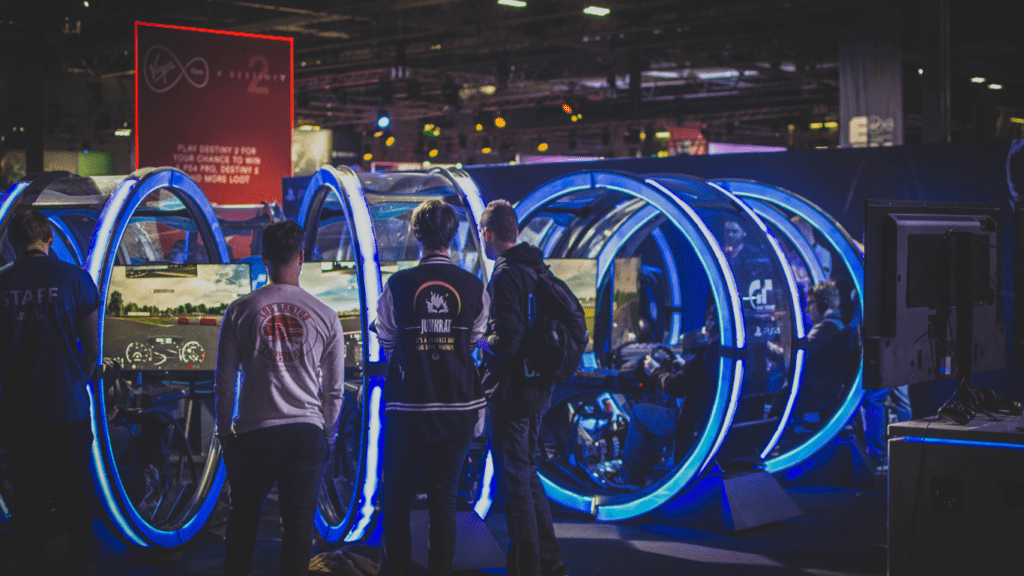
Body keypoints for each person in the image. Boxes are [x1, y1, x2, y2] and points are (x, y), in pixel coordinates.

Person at [214, 220, 345, 576]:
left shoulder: (240, 310)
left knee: (242, 520)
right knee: (299, 526)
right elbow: (333, 390)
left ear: (263, 257)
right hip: (306, 433)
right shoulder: (327, 315)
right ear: (301, 257)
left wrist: (224, 433)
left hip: (255, 432)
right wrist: (327, 434)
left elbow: (224, 385)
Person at [375, 200, 489, 576]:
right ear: (453, 236)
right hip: (458, 410)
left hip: (409, 411)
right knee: (444, 501)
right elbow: (473, 342)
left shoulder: (398, 284)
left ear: (415, 233)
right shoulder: (474, 286)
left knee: (396, 502)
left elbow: (388, 342)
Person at [0, 210, 101, 575]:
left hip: (18, 410)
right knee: (76, 488)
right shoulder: (76, 278)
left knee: (27, 495)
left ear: (11, 242)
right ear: (50, 238)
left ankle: (31, 563)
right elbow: (92, 351)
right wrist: (83, 378)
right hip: (68, 406)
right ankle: (80, 557)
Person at [478, 199, 568, 576]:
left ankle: (527, 566)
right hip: (536, 389)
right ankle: (548, 561)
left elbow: (508, 341)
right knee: (527, 475)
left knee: (515, 481)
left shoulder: (505, 275)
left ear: (487, 234)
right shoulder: (536, 268)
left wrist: (480, 339)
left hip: (512, 394)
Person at [616, 313, 719, 488]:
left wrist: (653, 370)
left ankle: (631, 477)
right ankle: (650, 465)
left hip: (693, 422)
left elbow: (675, 387)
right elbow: (693, 377)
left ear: (712, 326)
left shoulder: (707, 354)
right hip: (709, 418)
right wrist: (679, 364)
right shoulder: (723, 352)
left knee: (640, 412)